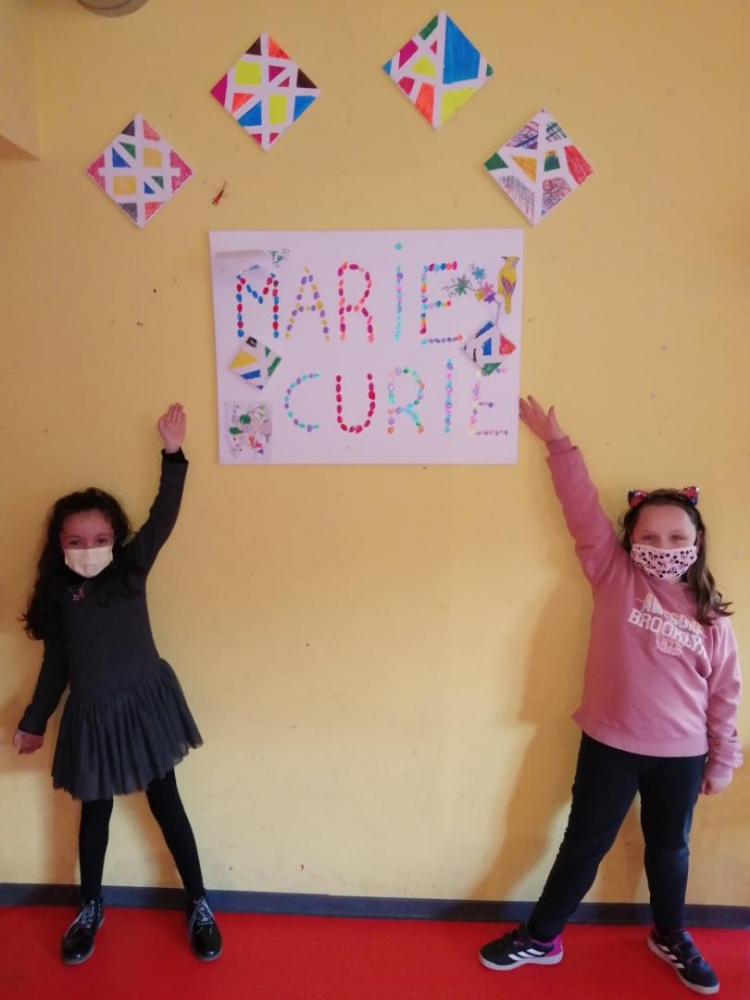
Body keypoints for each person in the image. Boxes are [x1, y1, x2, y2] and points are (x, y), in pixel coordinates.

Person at [479, 397, 741, 996]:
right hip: (610, 745)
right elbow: (580, 510)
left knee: (669, 850)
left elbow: (725, 693)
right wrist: (557, 443)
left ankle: (670, 934)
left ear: (697, 540)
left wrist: (723, 759)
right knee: (584, 843)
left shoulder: (712, 616)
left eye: (676, 536)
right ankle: (542, 936)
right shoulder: (613, 574)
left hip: (682, 755)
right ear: (629, 540)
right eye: (649, 536)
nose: (663, 546)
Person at [13, 403, 222, 965]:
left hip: (143, 708)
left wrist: (172, 453)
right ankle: (90, 907)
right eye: (76, 541)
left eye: (99, 538)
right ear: (59, 544)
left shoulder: (130, 570)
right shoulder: (60, 596)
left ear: (116, 538)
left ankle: (199, 902)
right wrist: (33, 721)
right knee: (95, 814)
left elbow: (163, 515)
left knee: (167, 805)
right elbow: (56, 665)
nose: (89, 550)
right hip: (92, 717)